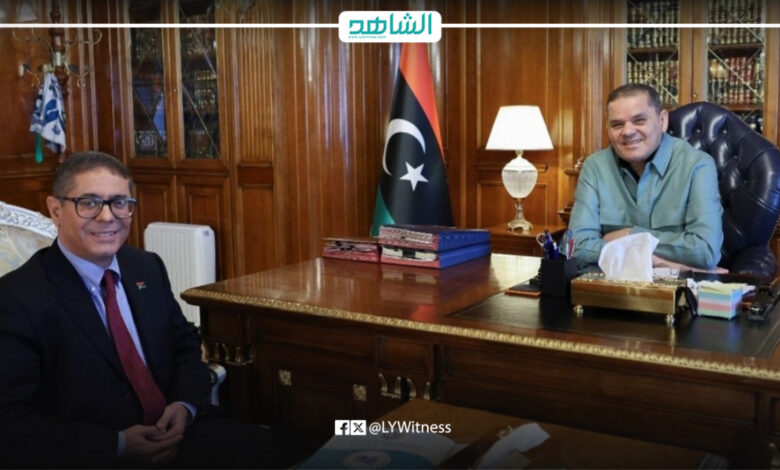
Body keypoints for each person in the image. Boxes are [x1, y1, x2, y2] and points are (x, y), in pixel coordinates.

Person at [0, 152, 283, 467]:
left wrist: (184, 406)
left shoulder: (145, 266)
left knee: (294, 451)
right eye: (89, 203)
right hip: (93, 455)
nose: (107, 217)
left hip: (179, 433)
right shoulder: (17, 299)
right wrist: (118, 445)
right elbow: (9, 423)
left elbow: (185, 344)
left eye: (119, 202)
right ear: (56, 210)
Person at [568, 83, 724, 271]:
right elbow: (576, 247)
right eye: (617, 124)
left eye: (639, 121)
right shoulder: (594, 167)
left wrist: (629, 235)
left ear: (662, 121)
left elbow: (705, 251)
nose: (627, 131)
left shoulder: (697, 165)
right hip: (613, 284)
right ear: (608, 128)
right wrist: (657, 261)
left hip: (678, 287)